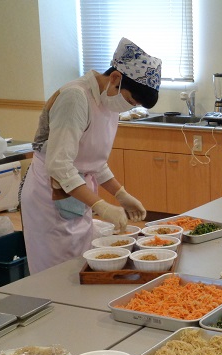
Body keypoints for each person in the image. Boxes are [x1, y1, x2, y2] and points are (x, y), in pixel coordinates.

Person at [21, 38, 161, 274]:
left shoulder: (108, 101)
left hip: (77, 193)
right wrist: (100, 205)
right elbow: (59, 165)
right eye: (129, 100)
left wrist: (120, 194)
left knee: (80, 264)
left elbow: (93, 161)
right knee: (55, 272)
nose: (127, 107)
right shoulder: (75, 98)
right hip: (49, 194)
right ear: (115, 78)